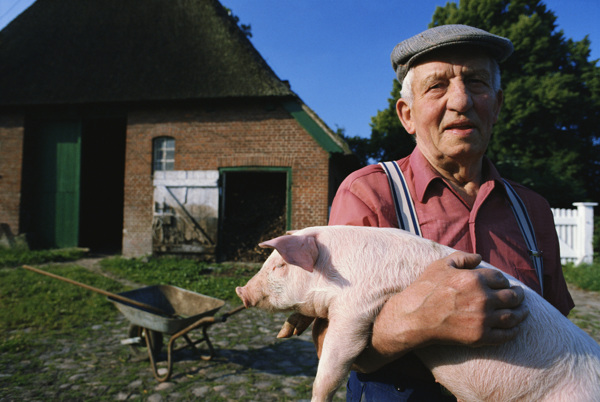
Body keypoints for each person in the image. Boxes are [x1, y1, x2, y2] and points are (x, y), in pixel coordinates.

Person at [317, 24, 575, 401]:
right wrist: (418, 321)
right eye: (437, 85)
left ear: (497, 104)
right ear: (407, 115)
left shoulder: (533, 209)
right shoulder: (369, 194)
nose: (461, 101)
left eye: (476, 82)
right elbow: (327, 346)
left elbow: (558, 330)